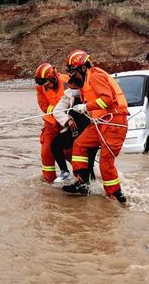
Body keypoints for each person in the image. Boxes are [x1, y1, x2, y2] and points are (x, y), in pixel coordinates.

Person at [61, 50, 129, 204]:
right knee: (80, 144)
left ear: (83, 68)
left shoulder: (96, 76)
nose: (72, 76)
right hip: (101, 123)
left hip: (114, 123)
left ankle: (116, 196)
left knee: (106, 162)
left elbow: (107, 99)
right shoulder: (87, 80)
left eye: (73, 72)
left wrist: (86, 107)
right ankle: (82, 183)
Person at [50, 74, 98, 183]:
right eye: (71, 88)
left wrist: (86, 107)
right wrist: (68, 120)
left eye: (75, 88)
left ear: (82, 87)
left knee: (88, 159)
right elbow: (57, 110)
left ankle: (87, 183)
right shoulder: (69, 95)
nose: (73, 90)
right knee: (55, 144)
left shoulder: (90, 94)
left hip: (90, 130)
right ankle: (65, 171)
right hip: (74, 131)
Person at [34, 62, 69, 182]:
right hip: (51, 124)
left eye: (47, 84)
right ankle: (50, 183)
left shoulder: (66, 82)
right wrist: (56, 110)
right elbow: (44, 106)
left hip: (68, 122)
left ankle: (82, 177)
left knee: (70, 152)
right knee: (46, 152)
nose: (46, 87)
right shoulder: (41, 87)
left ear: (53, 78)